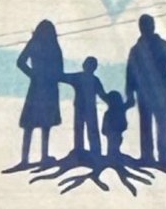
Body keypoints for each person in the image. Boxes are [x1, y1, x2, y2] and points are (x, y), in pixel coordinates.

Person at [125, 14, 166, 165]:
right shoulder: (136, 49)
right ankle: (147, 156)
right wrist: (129, 94)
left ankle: (163, 158)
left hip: (159, 91)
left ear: (153, 26)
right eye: (144, 25)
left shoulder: (160, 46)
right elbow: (130, 73)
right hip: (144, 92)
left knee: (161, 125)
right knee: (146, 125)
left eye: (148, 25)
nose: (147, 28)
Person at [15, 20, 63, 166]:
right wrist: (34, 74)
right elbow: (20, 62)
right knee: (40, 123)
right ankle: (33, 158)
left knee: (38, 124)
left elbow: (21, 62)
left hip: (42, 86)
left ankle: (32, 158)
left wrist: (34, 74)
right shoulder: (50, 45)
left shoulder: (37, 43)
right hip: (45, 86)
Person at [61, 57, 107, 159]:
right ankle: (84, 150)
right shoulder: (85, 78)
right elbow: (103, 95)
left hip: (86, 107)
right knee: (82, 129)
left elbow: (102, 95)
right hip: (83, 107)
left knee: (88, 129)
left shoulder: (85, 78)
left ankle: (92, 152)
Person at [101, 90, 129, 161]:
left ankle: (113, 154)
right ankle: (112, 155)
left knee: (113, 142)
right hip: (114, 131)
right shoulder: (117, 111)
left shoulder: (111, 112)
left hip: (114, 131)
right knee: (113, 142)